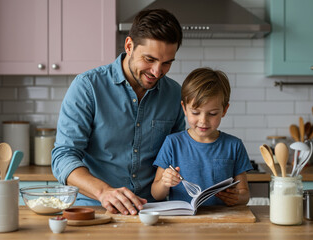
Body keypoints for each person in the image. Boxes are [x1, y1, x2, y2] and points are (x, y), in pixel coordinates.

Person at [51, 9, 185, 215]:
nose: (157, 72)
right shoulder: (88, 87)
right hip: (93, 208)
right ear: (129, 46)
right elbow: (63, 157)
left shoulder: (174, 94)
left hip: (151, 211)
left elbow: (177, 153)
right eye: (149, 59)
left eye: (166, 63)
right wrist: (104, 192)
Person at [151, 68, 252, 206]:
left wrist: (237, 198)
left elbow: (244, 194)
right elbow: (156, 194)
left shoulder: (234, 145)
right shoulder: (172, 143)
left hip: (222, 221)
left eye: (212, 113)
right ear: (184, 108)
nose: (203, 121)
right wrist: (164, 182)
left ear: (225, 110)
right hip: (182, 223)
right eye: (195, 112)